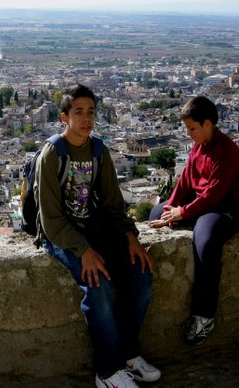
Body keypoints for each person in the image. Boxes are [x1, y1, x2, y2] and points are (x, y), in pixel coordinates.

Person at [36, 84, 159, 388]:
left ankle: (129, 354)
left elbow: (114, 204)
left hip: (95, 229)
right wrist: (83, 250)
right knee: (98, 284)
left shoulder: (99, 151)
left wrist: (131, 237)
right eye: (78, 112)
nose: (86, 118)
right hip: (62, 236)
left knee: (141, 272)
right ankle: (107, 371)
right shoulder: (53, 154)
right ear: (65, 116)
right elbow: (51, 220)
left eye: (91, 112)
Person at [148, 95, 239, 346]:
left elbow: (214, 195)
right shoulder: (199, 146)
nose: (189, 134)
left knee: (206, 240)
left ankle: (204, 315)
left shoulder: (228, 151)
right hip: (201, 202)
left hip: (223, 208)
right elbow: (186, 179)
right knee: (156, 215)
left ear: (208, 124)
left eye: (192, 128)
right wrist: (171, 207)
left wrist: (182, 213)